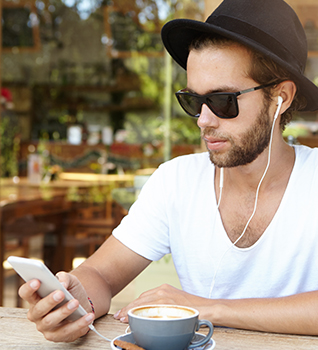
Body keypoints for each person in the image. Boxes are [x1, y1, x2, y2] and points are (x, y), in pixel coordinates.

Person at [19, 0, 318, 342]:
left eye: (223, 101)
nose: (204, 120)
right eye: (193, 101)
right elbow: (101, 274)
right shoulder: (176, 182)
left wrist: (210, 308)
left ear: (282, 97)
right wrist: (71, 299)